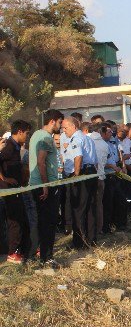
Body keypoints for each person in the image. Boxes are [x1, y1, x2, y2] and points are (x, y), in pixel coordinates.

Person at [29, 109, 64, 266]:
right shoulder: (45, 137)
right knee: (48, 222)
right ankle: (46, 257)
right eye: (60, 122)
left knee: (44, 221)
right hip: (45, 185)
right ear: (52, 121)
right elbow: (41, 161)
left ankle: (43, 254)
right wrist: (45, 185)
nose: (61, 126)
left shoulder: (36, 135)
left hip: (40, 184)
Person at [62, 116, 98, 248]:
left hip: (82, 174)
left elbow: (78, 156)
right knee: (89, 208)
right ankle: (91, 239)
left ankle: (79, 243)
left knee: (78, 209)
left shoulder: (76, 138)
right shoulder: (87, 138)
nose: (64, 131)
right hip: (91, 173)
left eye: (65, 128)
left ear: (74, 127)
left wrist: (76, 174)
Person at [0, 120, 31, 263]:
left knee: (21, 219)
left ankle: (23, 250)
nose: (27, 136)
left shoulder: (16, 146)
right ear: (19, 132)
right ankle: (13, 252)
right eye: (26, 133)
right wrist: (4, 178)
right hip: (8, 190)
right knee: (15, 221)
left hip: (15, 188)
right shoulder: (9, 147)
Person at [99, 123, 127, 233]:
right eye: (110, 131)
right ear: (103, 132)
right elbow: (100, 162)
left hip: (114, 174)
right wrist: (111, 166)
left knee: (120, 200)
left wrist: (120, 166)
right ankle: (106, 227)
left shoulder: (112, 142)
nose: (112, 133)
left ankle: (120, 225)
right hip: (106, 176)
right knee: (108, 203)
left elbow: (118, 156)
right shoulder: (100, 145)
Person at [85, 121, 107, 236]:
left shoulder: (87, 140)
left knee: (87, 205)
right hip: (101, 177)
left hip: (89, 177)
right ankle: (99, 229)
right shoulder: (104, 144)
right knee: (99, 205)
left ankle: (89, 230)